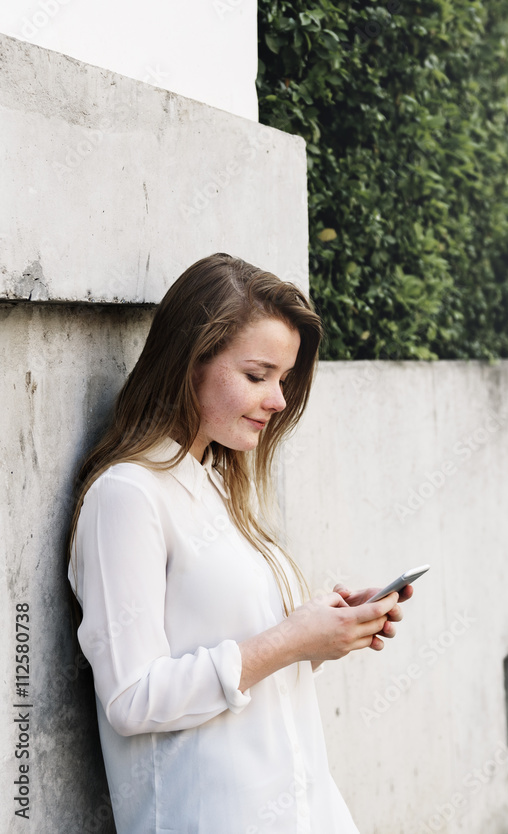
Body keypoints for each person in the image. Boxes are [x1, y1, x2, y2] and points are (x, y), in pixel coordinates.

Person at [67, 253, 412, 832]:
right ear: (188, 364)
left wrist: (320, 636)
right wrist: (288, 640)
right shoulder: (128, 496)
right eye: (258, 376)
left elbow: (240, 661)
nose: (278, 400)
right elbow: (132, 698)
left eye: (283, 379)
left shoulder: (219, 484)